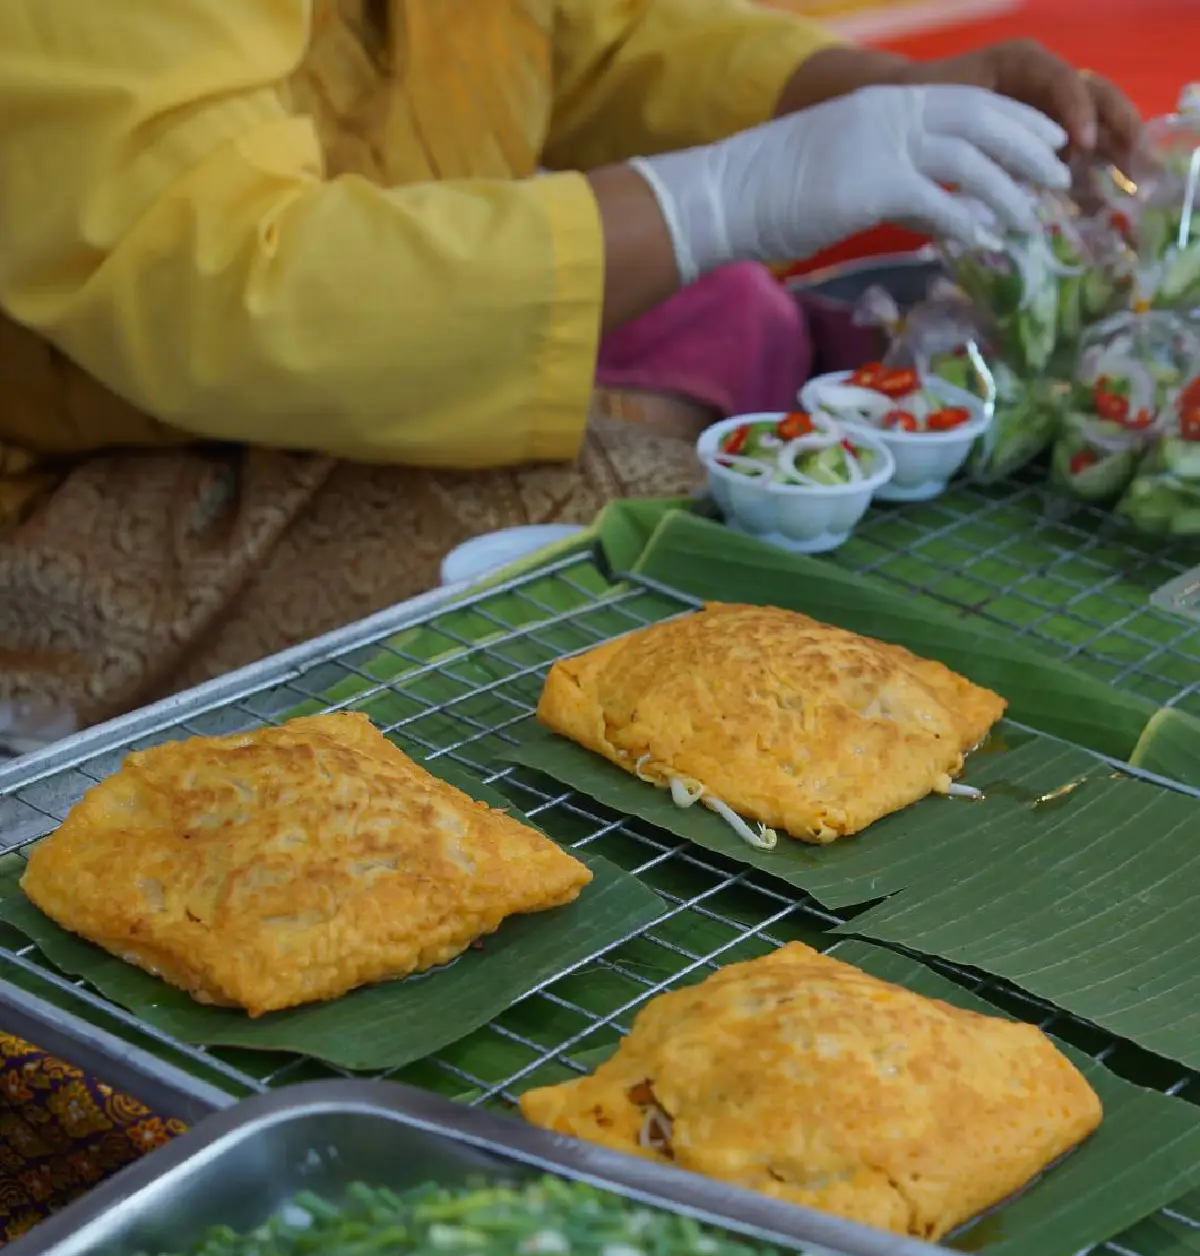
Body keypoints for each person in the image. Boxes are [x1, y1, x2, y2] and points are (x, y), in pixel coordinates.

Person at [0, 1, 1139, 739]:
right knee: (646, 543)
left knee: (734, 326)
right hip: (76, 484)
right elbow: (223, 291)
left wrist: (867, 96)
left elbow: (587, 36)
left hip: (352, 356)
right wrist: (722, 197)